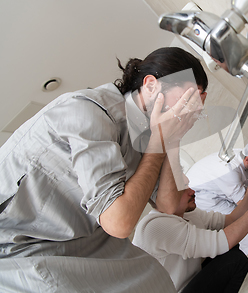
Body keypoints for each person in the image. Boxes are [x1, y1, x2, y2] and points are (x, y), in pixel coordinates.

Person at [0, 47, 208, 292]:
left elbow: (169, 206)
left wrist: (172, 139)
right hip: (18, 244)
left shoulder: (148, 134)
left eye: (199, 105)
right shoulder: (88, 111)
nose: (194, 111)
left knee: (153, 281)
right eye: (189, 99)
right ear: (151, 86)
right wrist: (160, 142)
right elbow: (118, 222)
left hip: (80, 237)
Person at [132, 174, 248, 292]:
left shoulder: (186, 212)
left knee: (231, 251)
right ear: (165, 198)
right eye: (184, 190)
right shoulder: (154, 227)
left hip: (194, 280)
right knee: (233, 260)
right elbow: (222, 241)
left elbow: (229, 221)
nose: (192, 191)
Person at [186, 141, 248, 254]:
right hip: (205, 198)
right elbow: (245, 204)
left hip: (218, 190)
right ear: (247, 159)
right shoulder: (230, 170)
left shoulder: (247, 157)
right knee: (240, 222)